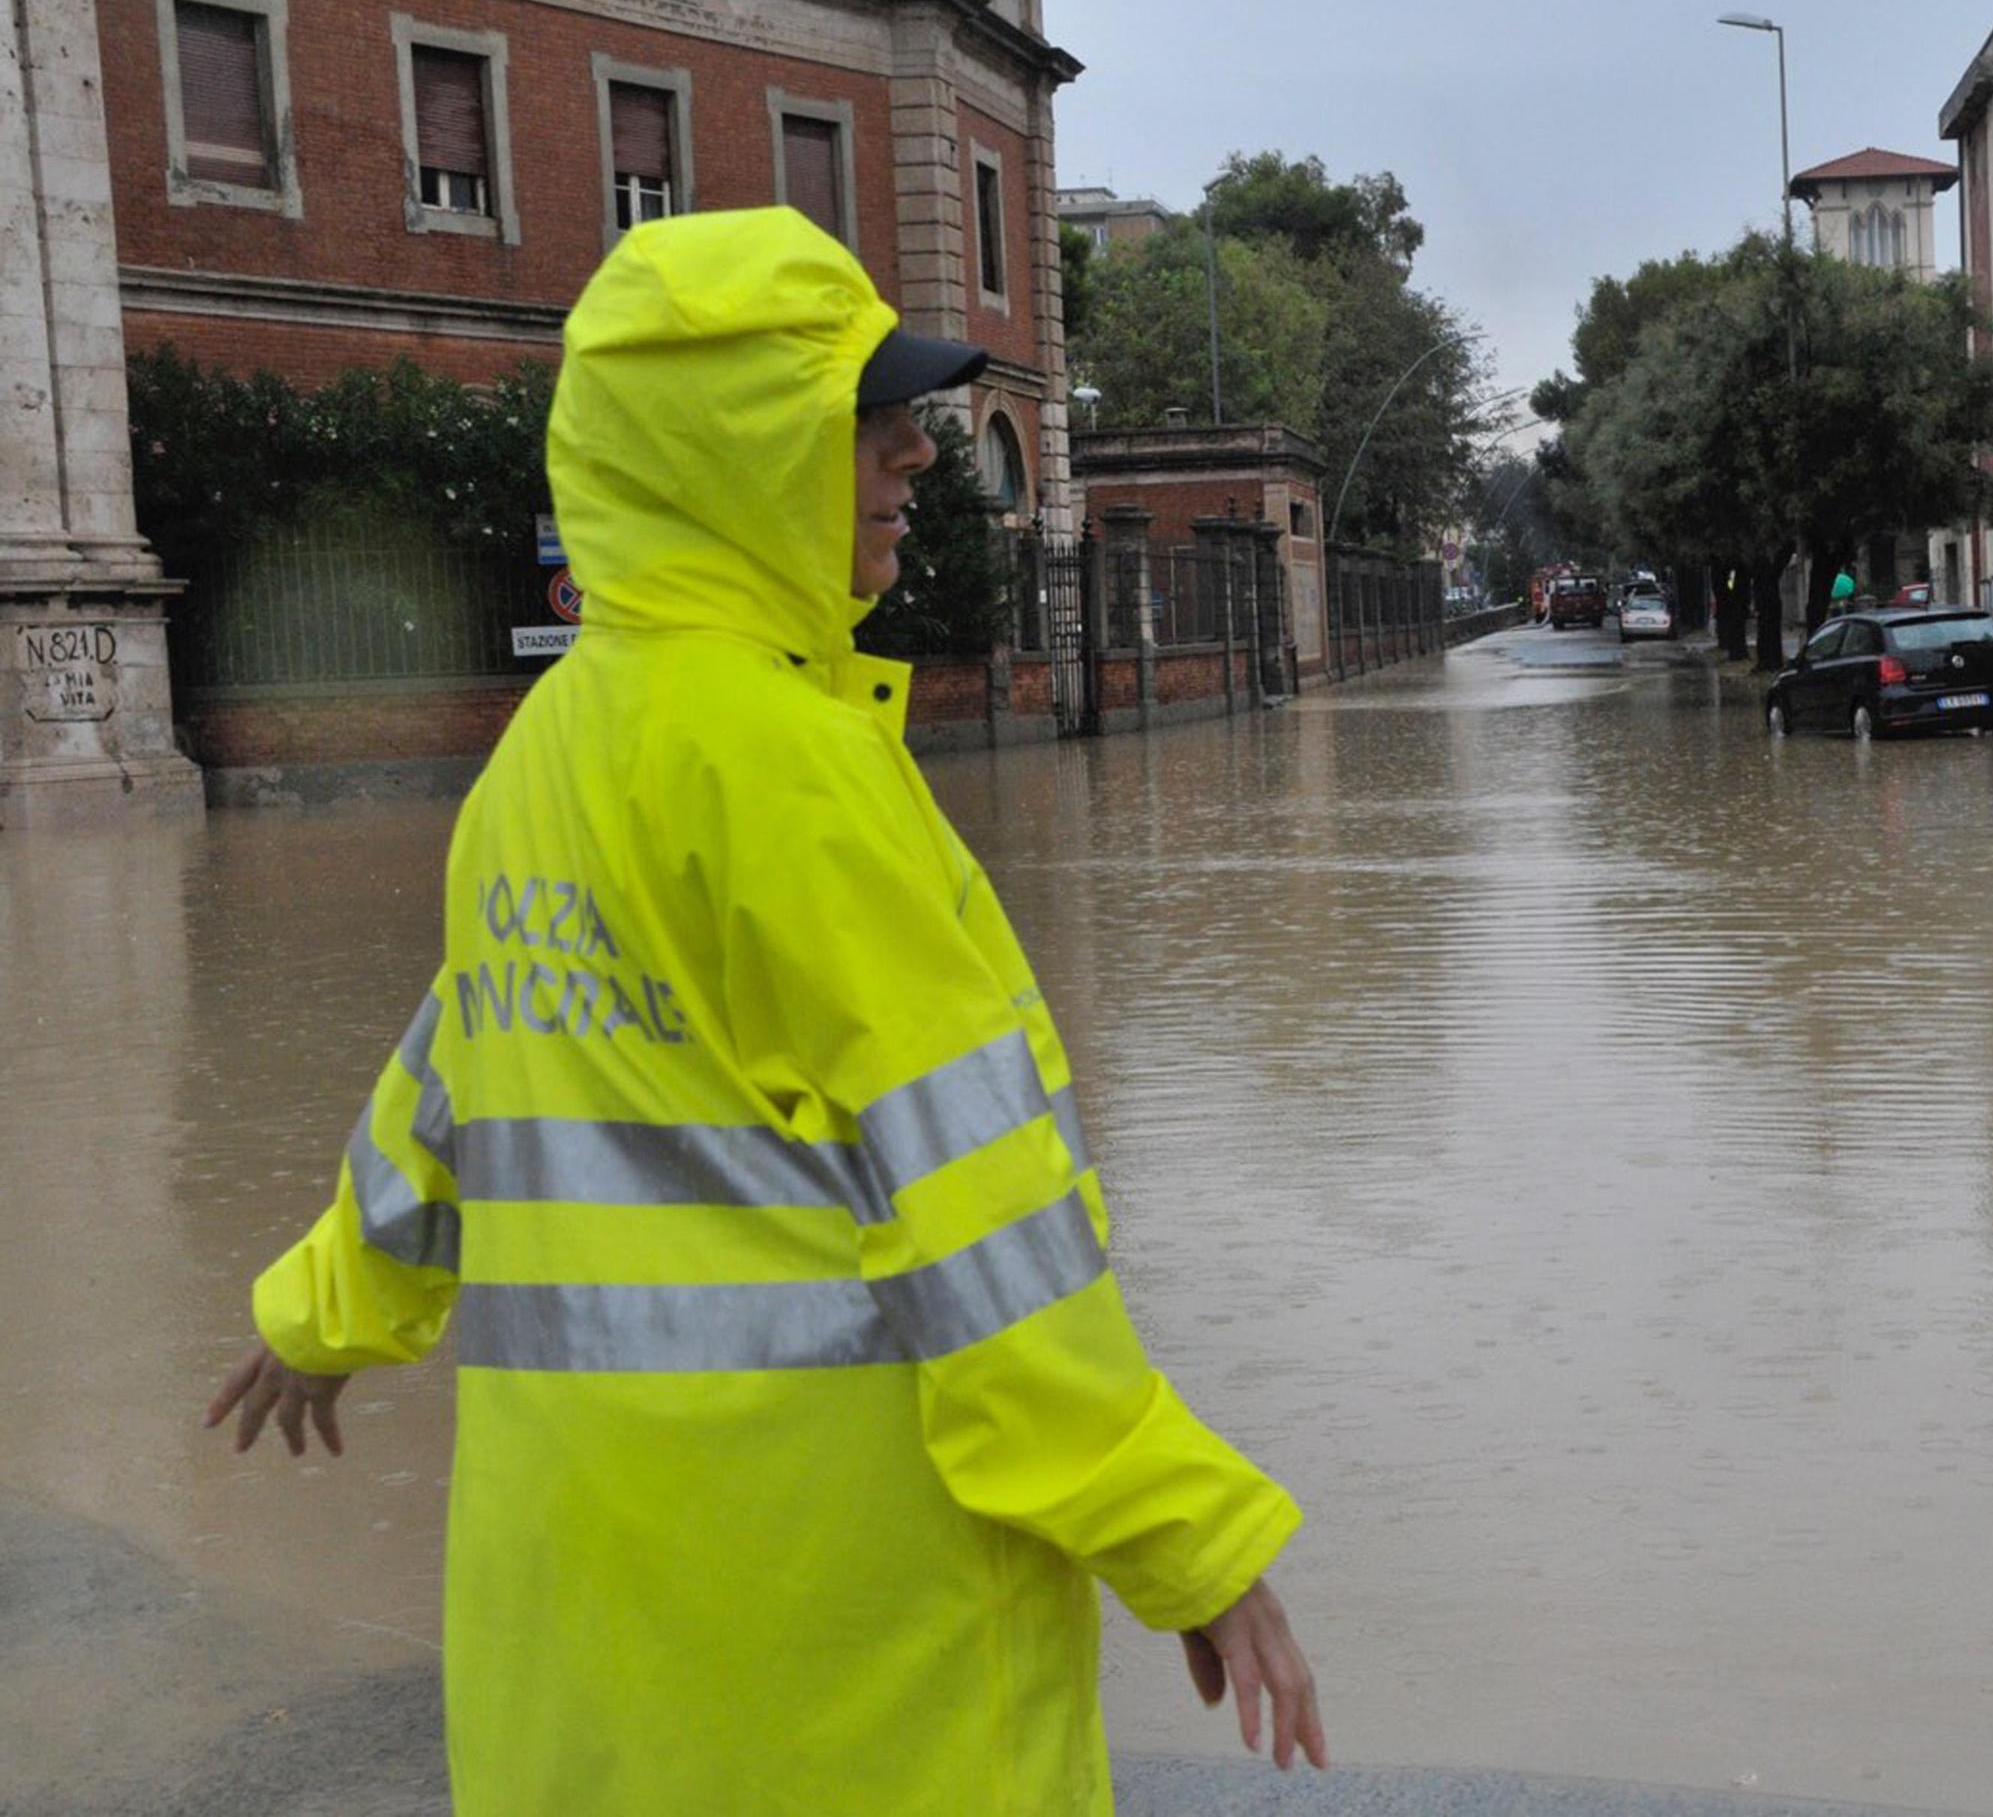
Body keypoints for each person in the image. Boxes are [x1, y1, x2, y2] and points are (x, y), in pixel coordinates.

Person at [204, 208, 1323, 1813]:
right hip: (840, 1658)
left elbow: (456, 1096)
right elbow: (983, 1230)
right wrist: (1188, 1539)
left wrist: (317, 1316)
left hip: (582, 1644)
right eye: (866, 428)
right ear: (734, 453)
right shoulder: (798, 776)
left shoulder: (538, 757)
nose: (913, 467)